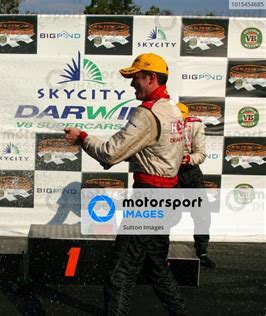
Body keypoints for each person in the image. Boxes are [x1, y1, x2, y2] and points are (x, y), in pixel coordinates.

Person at [65, 53, 187, 315]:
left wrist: (83, 137)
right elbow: (157, 149)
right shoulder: (173, 109)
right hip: (169, 197)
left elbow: (110, 152)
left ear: (151, 78)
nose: (132, 84)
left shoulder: (147, 113)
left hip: (149, 199)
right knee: (155, 267)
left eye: (136, 78)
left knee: (120, 274)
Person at [177, 103, 216, 268]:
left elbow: (200, 153)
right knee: (165, 213)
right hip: (170, 172)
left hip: (191, 172)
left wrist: (188, 159)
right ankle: (158, 251)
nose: (178, 121)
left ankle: (202, 251)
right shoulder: (163, 122)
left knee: (202, 213)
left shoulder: (196, 124)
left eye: (181, 118)